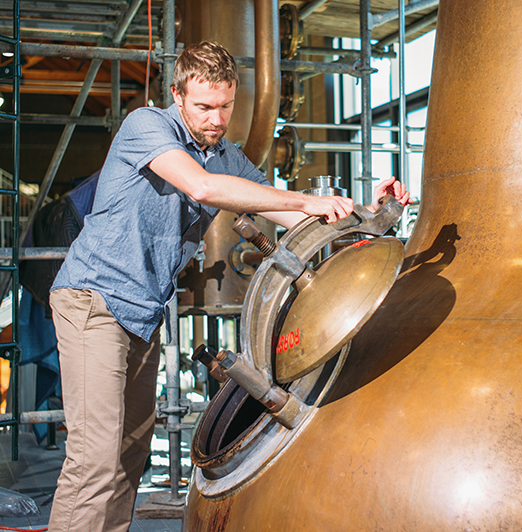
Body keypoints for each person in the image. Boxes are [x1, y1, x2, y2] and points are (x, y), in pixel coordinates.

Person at [47, 41, 410, 532]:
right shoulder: (146, 127)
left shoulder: (225, 155)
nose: (216, 119)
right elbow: (201, 188)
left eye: (225, 106)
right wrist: (307, 201)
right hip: (93, 302)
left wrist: (369, 213)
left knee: (130, 459)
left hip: (142, 314)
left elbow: (285, 213)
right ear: (177, 95)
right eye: (203, 107)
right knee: (94, 462)